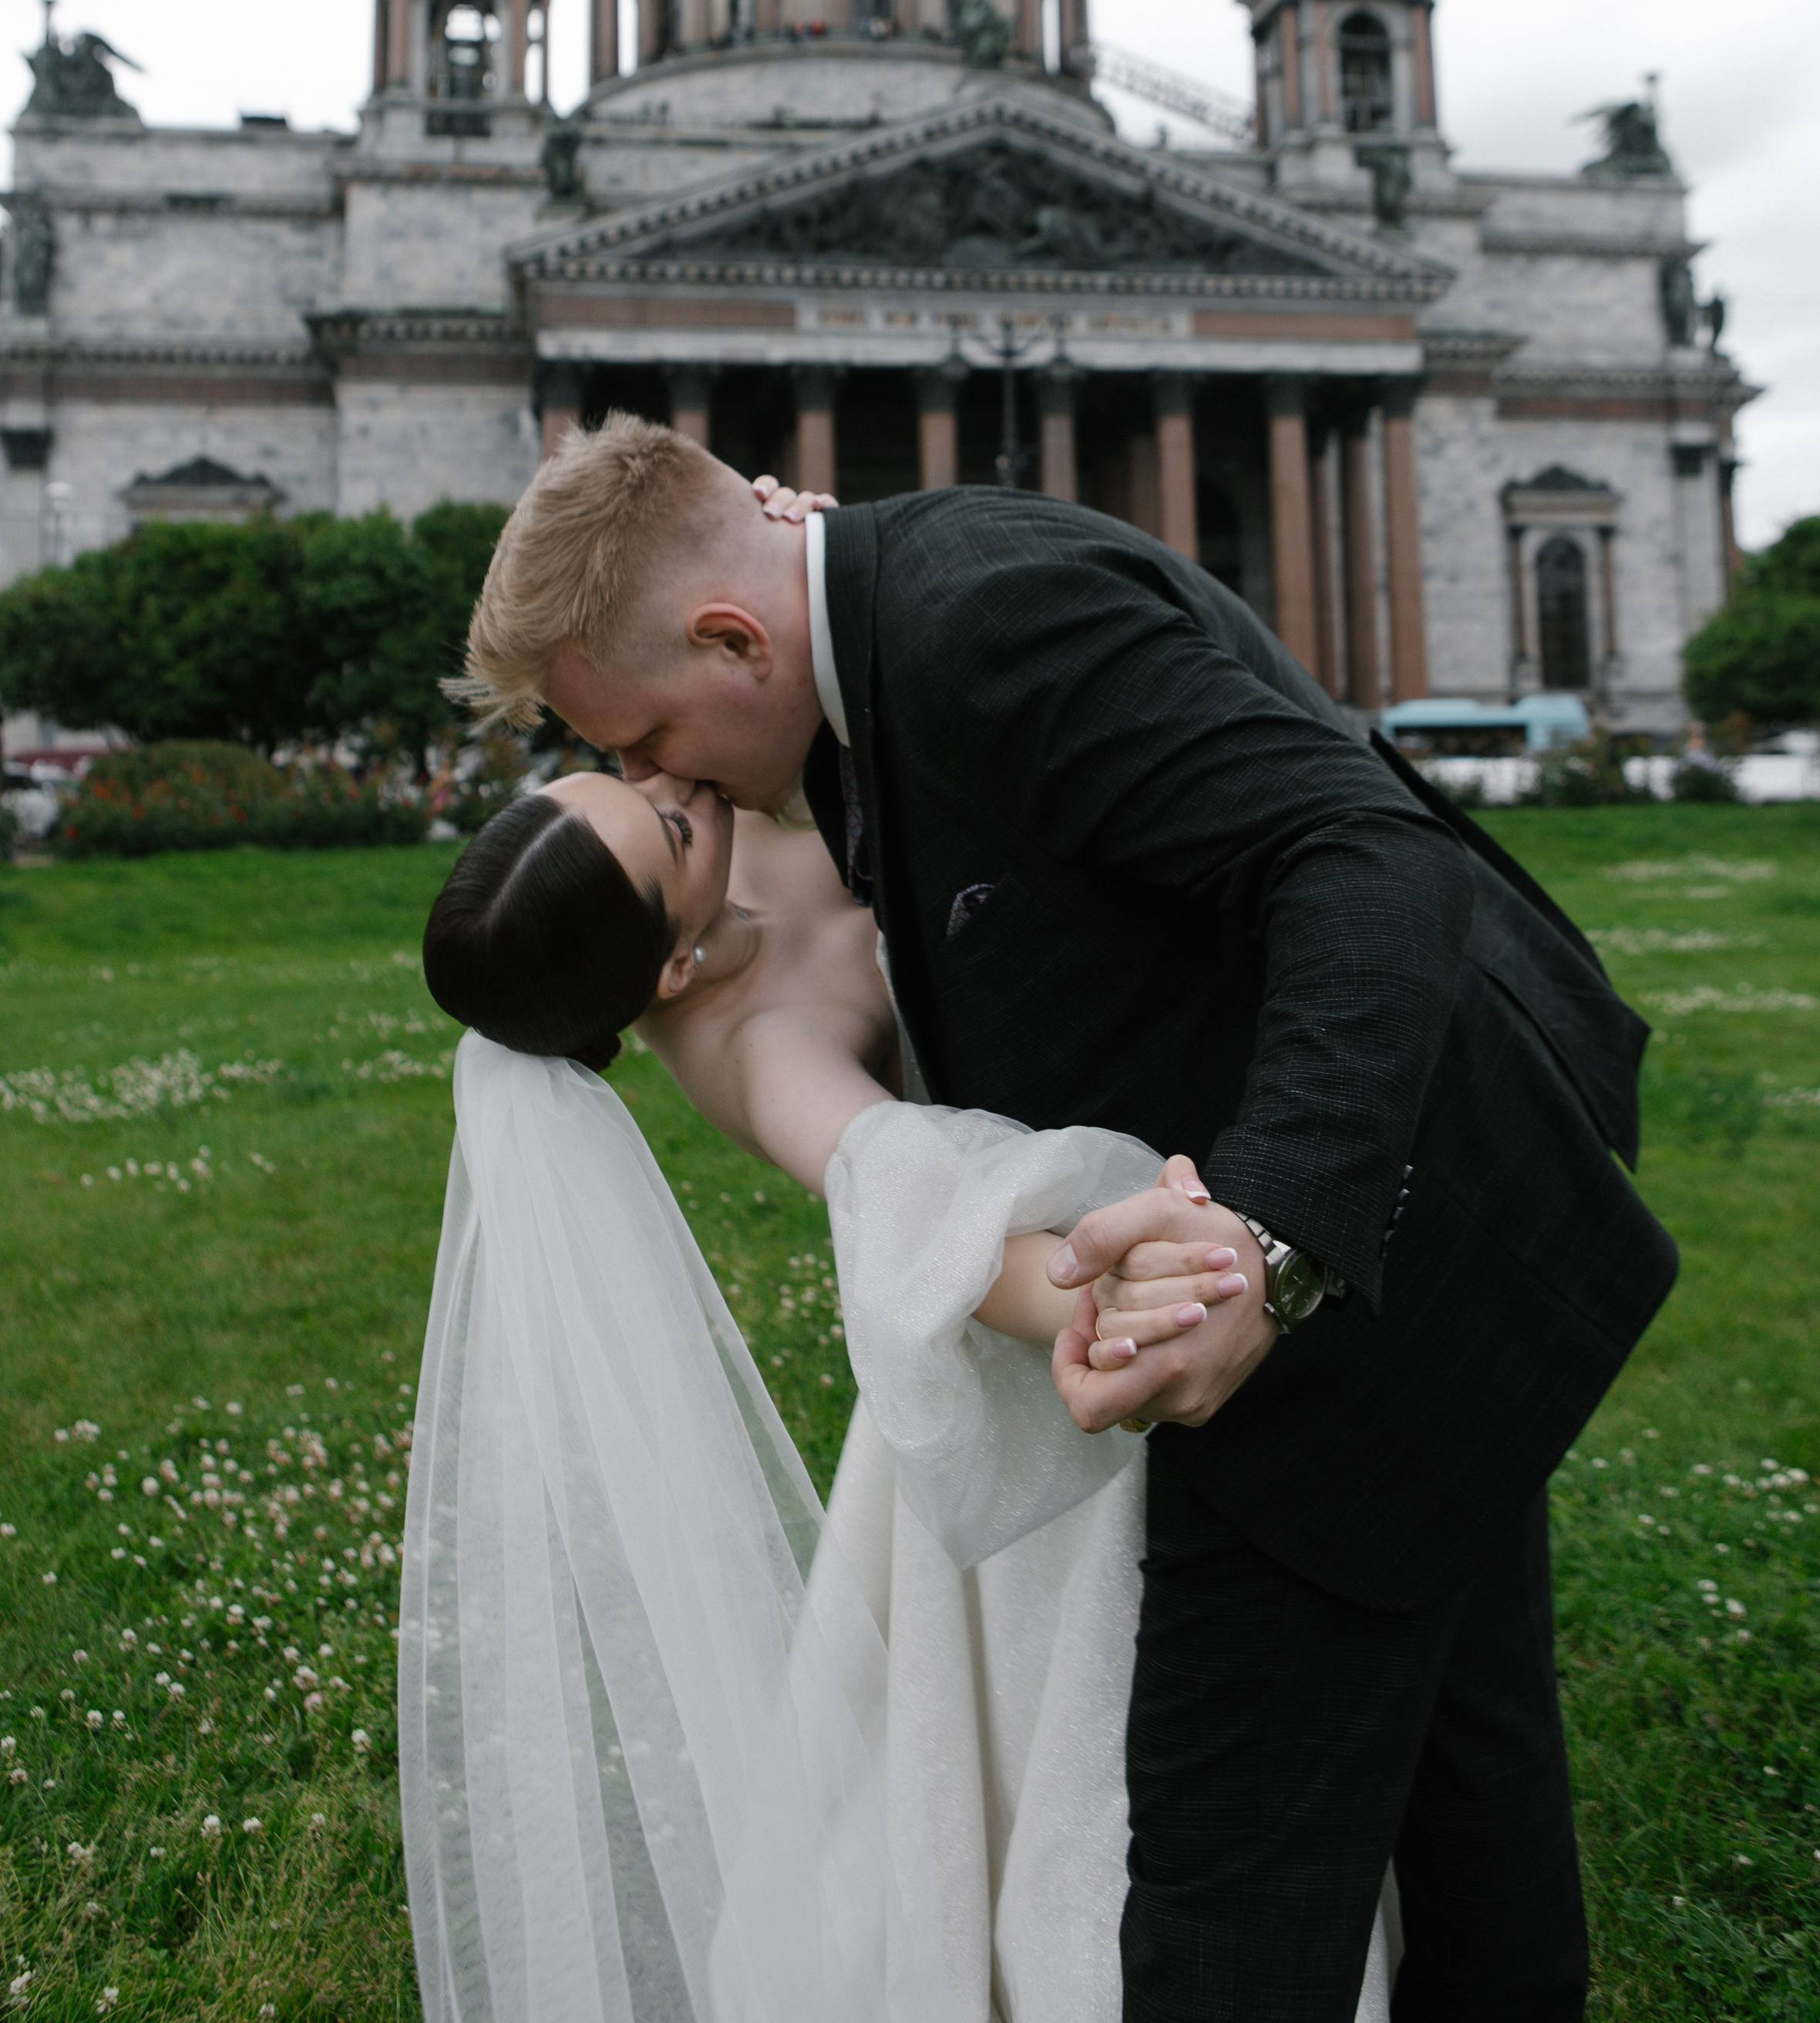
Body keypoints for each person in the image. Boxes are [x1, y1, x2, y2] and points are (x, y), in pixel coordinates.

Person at [454, 422, 1680, 2023]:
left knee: (1219, 1872)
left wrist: (1268, 1238)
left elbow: (1362, 851)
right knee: (1470, 1771)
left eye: (653, 738)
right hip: (1364, 1239)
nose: (658, 776)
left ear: (738, 637)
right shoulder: (864, 634)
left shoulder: (971, 620)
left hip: (1344, 1250)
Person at [409, 762, 1396, 2021]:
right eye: (662, 824)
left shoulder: (721, 796)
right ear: (670, 970)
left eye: (615, 771)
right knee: (1085, 1758)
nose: (675, 783)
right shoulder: (749, 1043)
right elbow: (930, 1222)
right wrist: (1095, 1296)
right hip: (1034, 1371)